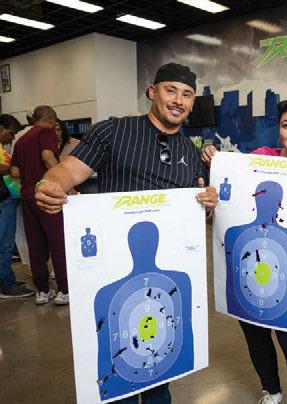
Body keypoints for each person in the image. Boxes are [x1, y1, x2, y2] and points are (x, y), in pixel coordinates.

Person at [34, 62, 218, 404]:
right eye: (171, 90)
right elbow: (67, 172)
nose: (178, 100)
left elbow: (196, 211)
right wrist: (49, 184)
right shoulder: (113, 132)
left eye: (187, 94)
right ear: (152, 92)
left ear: (193, 102)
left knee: (159, 371)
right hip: (115, 271)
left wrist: (208, 205)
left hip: (163, 276)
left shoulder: (190, 153)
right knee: (119, 370)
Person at [202, 99, 287, 404]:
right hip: (251, 259)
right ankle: (272, 390)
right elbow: (231, 198)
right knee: (255, 333)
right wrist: (216, 163)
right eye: (286, 125)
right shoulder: (260, 158)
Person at [10, 106, 68, 305]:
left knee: (36, 245)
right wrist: (67, 183)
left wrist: (30, 172)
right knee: (58, 242)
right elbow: (47, 157)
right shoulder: (45, 132)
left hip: (28, 197)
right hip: (48, 194)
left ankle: (42, 290)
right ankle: (64, 289)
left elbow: (15, 172)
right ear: (51, 119)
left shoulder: (21, 140)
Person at [0, 114, 35, 299]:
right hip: (3, 201)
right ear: (1, 128)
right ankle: (6, 285)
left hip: (7, 199)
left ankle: (6, 278)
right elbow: (5, 169)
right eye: (11, 133)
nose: (12, 138)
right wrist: (17, 167)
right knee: (4, 244)